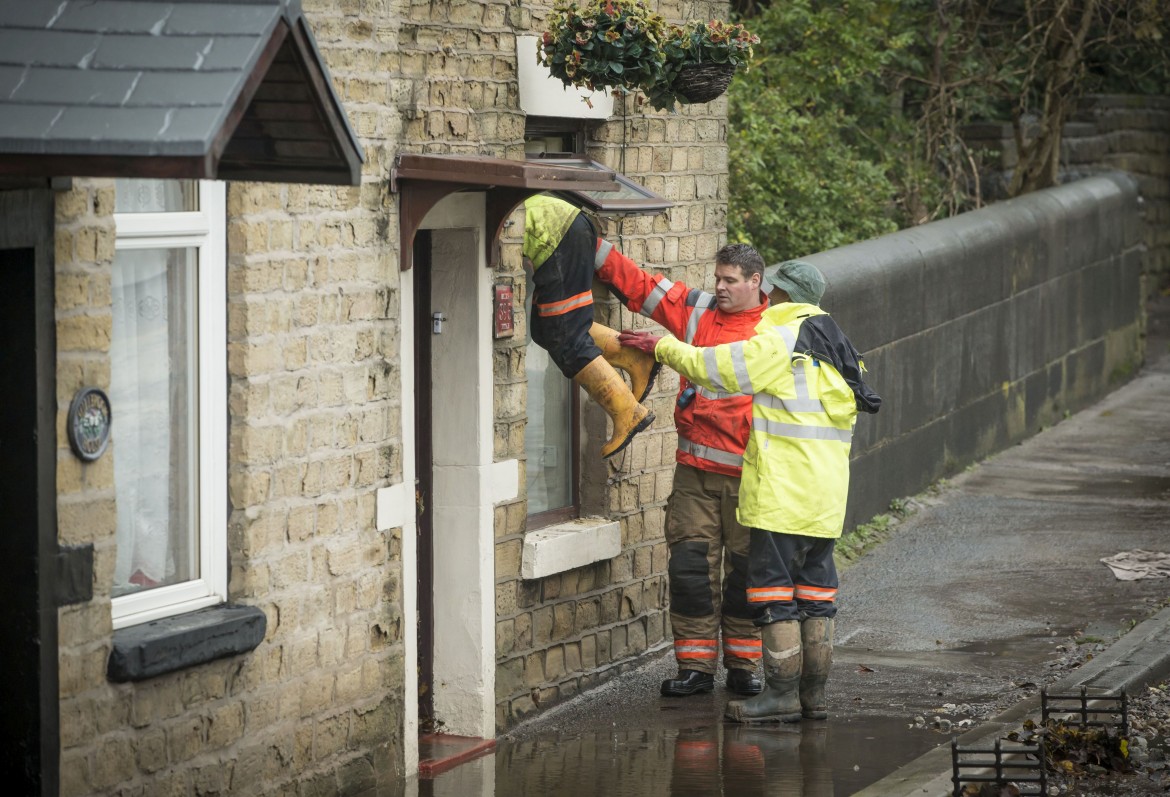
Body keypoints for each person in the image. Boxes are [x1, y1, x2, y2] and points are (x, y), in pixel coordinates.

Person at [618, 260, 881, 723]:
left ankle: (779, 694)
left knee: (771, 593)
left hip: (781, 495)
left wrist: (662, 346)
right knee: (817, 595)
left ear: (777, 292)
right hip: (824, 497)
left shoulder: (782, 338)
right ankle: (813, 697)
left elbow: (714, 367)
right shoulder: (839, 343)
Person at [593, 239, 771, 697]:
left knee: (746, 577)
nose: (720, 287)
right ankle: (695, 668)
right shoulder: (699, 312)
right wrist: (587, 246)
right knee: (691, 570)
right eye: (718, 278)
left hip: (752, 479)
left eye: (731, 280)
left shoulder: (775, 330)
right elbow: (644, 287)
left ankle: (744, 667)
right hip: (694, 474)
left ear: (756, 282)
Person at [523, 194, 658, 458]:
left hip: (556, 235)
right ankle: (633, 356)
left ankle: (627, 412)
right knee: (546, 330)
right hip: (567, 228)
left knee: (565, 338)